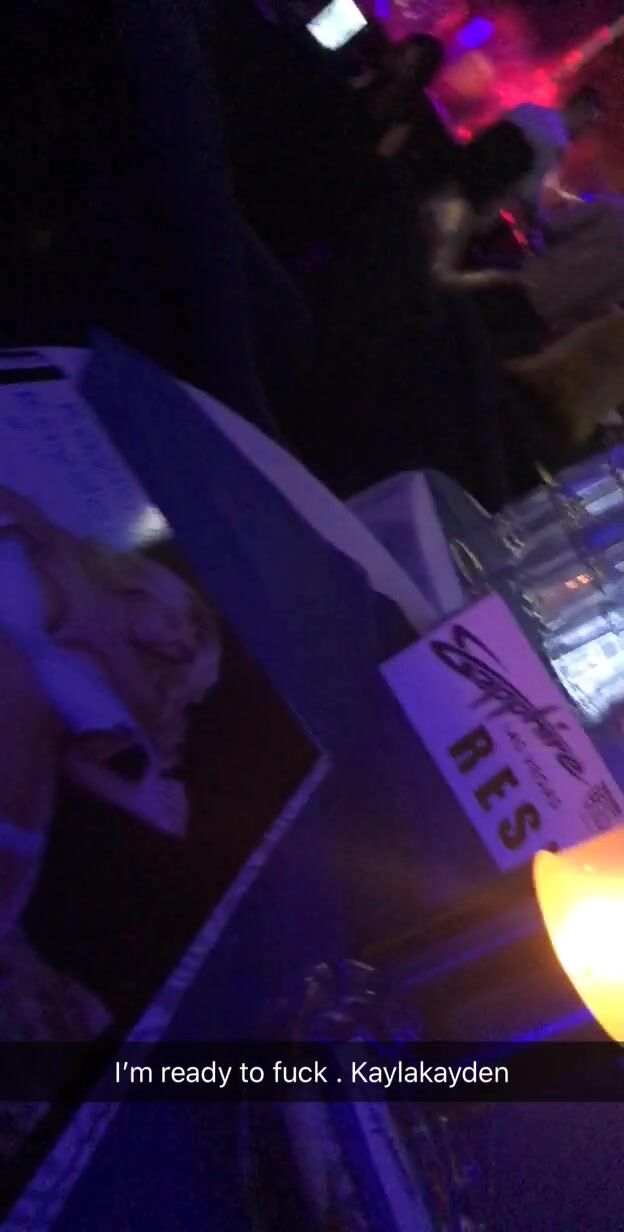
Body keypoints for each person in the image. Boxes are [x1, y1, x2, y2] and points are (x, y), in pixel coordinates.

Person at [503, 86, 604, 233]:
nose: (586, 133)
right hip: (487, 206)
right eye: (589, 124)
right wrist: (545, 223)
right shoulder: (556, 142)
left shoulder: (527, 109)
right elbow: (528, 193)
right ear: (579, 108)